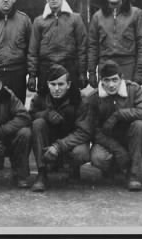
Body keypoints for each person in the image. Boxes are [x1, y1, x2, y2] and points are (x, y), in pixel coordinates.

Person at [88, 60, 142, 191]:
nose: (111, 85)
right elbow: (92, 130)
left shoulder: (133, 89)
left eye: (114, 80)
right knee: (97, 158)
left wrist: (119, 114)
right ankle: (115, 168)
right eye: (106, 80)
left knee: (140, 125)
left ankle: (133, 175)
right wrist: (116, 149)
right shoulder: (94, 97)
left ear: (121, 78)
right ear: (101, 80)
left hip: (130, 137)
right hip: (108, 141)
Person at [29, 64, 91, 192]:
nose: (57, 88)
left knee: (81, 153)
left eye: (61, 84)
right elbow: (28, 118)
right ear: (47, 84)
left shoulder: (80, 99)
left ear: (68, 84)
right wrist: (45, 114)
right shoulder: (39, 97)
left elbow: (83, 132)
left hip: (71, 142)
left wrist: (58, 146)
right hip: (50, 139)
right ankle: (42, 173)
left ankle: (74, 168)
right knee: (38, 123)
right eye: (53, 84)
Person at [88, 0, 142, 88]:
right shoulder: (97, 17)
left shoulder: (136, 14)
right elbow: (92, 47)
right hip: (105, 66)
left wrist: (140, 72)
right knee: (106, 103)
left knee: (127, 102)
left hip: (127, 67)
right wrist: (91, 72)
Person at [27, 0, 88, 94]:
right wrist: (32, 75)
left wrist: (82, 73)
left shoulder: (75, 19)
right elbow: (33, 51)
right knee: (45, 106)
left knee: (71, 105)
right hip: (46, 69)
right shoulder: (39, 21)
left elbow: (82, 48)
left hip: (69, 68)